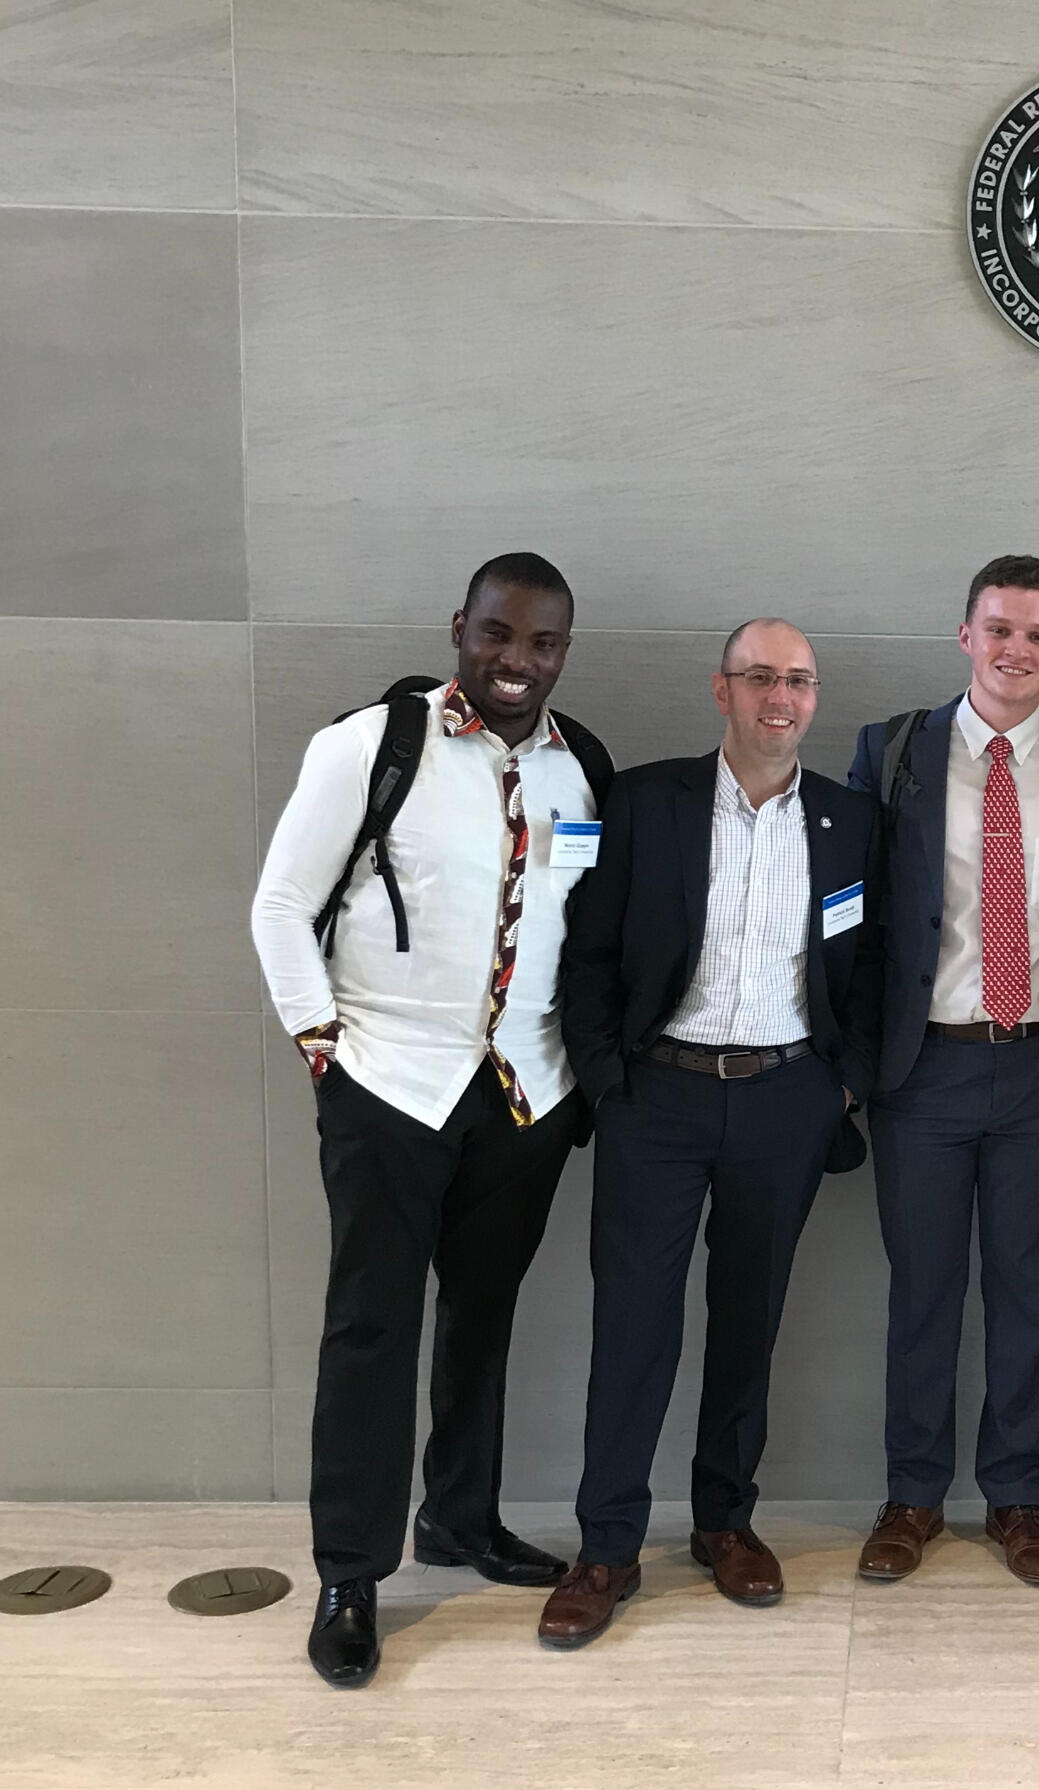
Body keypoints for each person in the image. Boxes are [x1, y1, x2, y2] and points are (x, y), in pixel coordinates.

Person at [251, 552, 598, 1688]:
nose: (516, 660)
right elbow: (280, 904)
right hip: (388, 1083)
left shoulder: (579, 767)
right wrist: (322, 1045)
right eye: (498, 633)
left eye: (541, 642)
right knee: (372, 1326)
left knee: (484, 1316)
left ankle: (460, 1515)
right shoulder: (372, 745)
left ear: (563, 651)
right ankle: (351, 1573)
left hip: (524, 1093)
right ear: (461, 627)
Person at [538, 619, 881, 1648]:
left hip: (785, 1098)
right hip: (660, 1099)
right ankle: (607, 1547)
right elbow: (588, 952)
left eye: (799, 680)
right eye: (760, 676)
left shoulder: (850, 820)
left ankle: (725, 1522)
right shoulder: (648, 802)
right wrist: (609, 1083)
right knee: (632, 1326)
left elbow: (872, 966)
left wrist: (841, 1087)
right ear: (721, 689)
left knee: (748, 1320)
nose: (782, 697)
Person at [845, 554, 1039, 1588]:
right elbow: (856, 913)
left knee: (1027, 1287)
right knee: (923, 1288)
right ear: (965, 635)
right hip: (923, 1065)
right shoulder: (895, 751)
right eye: (999, 628)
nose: (1016, 649)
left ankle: (1018, 1497)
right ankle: (912, 1495)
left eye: (1037, 635)